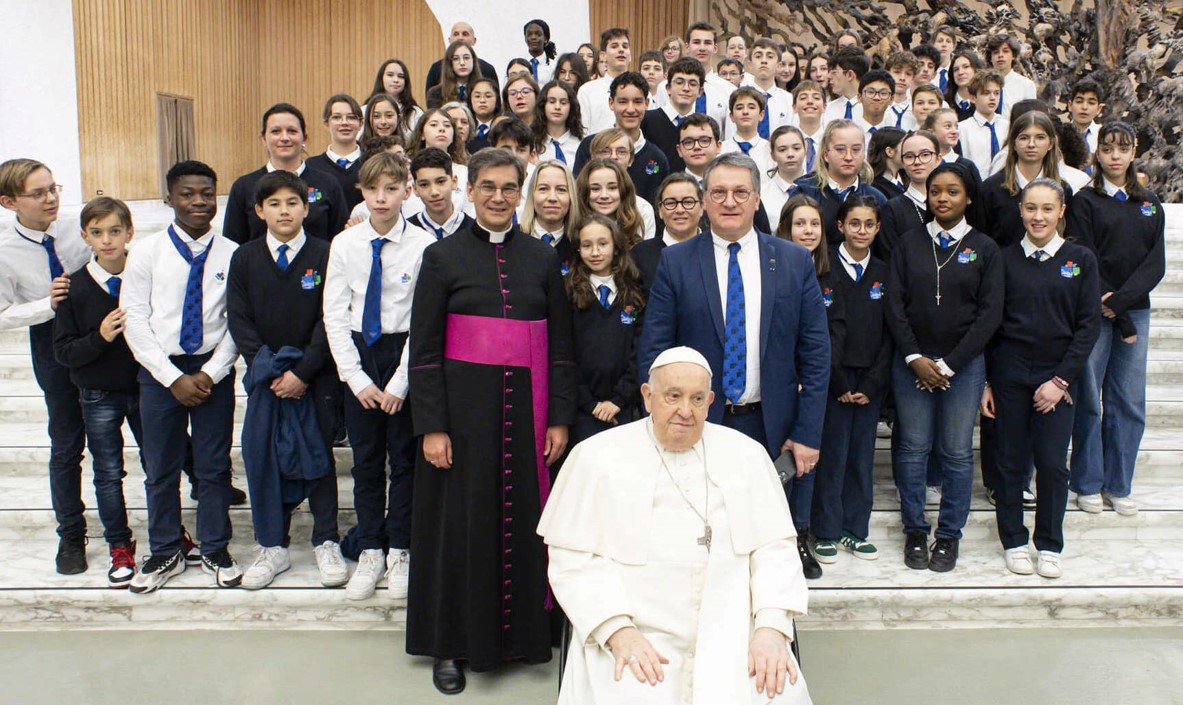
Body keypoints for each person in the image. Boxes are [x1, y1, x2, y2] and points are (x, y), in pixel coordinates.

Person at [538, 346, 813, 704]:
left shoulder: (745, 455)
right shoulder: (597, 457)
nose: (686, 410)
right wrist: (616, 629)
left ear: (711, 401)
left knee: (774, 690)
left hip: (730, 626)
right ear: (648, 397)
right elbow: (571, 560)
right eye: (673, 396)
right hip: (636, 628)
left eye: (697, 399)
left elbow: (775, 549)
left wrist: (772, 628)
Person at [406, 147, 577, 694]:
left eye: (508, 188)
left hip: (527, 414)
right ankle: (451, 644)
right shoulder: (442, 259)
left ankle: (525, 638)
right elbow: (425, 349)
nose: (498, 198)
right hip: (462, 420)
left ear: (520, 192)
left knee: (524, 524)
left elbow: (562, 349)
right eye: (488, 188)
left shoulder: (543, 259)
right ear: (469, 190)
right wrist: (432, 425)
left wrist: (557, 418)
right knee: (459, 527)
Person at [639, 152, 832, 521]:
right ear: (705, 199)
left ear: (757, 199)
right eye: (719, 192)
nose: (730, 202)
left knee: (766, 527)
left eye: (741, 192)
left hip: (772, 425)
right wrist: (665, 420)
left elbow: (816, 355)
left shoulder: (794, 261)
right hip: (697, 420)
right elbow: (655, 350)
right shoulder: (676, 261)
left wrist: (807, 433)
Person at [121, 160, 242, 592]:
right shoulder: (146, 252)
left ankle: (214, 546)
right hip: (160, 373)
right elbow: (134, 317)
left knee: (212, 467)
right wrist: (170, 376)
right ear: (169, 199)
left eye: (206, 194)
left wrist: (210, 371)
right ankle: (165, 549)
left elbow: (236, 323)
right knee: (160, 468)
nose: (198, 202)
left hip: (212, 371)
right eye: (187, 194)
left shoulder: (232, 253)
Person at [225, 171, 346, 590]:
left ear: (306, 208)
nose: (284, 211)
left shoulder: (325, 253)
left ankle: (326, 539)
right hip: (266, 378)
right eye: (273, 204)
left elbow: (329, 318)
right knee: (262, 458)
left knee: (318, 458)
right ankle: (272, 545)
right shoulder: (244, 258)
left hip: (315, 378)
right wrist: (272, 369)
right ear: (259, 211)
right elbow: (238, 320)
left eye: (292, 203)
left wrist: (302, 372)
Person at [323, 152, 434, 601]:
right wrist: (356, 379)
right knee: (366, 462)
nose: (382, 198)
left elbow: (425, 319)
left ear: (407, 190)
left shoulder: (424, 246)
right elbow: (333, 314)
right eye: (373, 190)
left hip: (405, 351)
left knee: (404, 461)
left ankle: (400, 549)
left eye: (392, 188)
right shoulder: (344, 245)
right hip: (359, 353)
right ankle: (371, 546)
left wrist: (399, 383)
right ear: (361, 193)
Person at [884, 161, 1002, 573]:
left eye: (952, 191)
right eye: (936, 191)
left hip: (964, 367)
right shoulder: (907, 242)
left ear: (968, 196)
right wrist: (916, 358)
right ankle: (915, 529)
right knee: (913, 448)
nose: (943, 198)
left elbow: (989, 315)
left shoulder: (984, 248)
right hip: (911, 363)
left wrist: (949, 364)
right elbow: (894, 305)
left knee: (955, 453)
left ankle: (948, 535)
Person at [981, 178, 1100, 579]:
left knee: (1051, 464)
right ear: (1020, 210)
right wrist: (988, 382)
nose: (1038, 216)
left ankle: (1049, 544)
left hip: (1057, 375)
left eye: (1047, 208)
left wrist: (1061, 381)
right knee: (1010, 462)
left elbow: (1088, 327)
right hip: (1010, 372)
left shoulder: (1080, 259)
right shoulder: (1004, 258)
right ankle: (1013, 539)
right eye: (1031, 207)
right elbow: (991, 324)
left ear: (1061, 211)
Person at [1069, 121, 1165, 517]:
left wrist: (1122, 301)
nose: (1114, 156)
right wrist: (1104, 299)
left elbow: (1153, 264)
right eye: (1107, 148)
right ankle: (1088, 482)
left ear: (1133, 150)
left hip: (1133, 313)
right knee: (1089, 399)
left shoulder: (1148, 203)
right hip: (1095, 311)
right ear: (1097, 151)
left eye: (1122, 149)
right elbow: (1083, 255)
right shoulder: (1084, 201)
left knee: (1128, 400)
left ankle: (1118, 483)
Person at [0, 159, 90, 574]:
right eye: (38, 193)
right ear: (8, 202)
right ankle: (71, 534)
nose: (51, 198)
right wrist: (45, 305)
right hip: (51, 340)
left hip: (101, 332)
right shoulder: (5, 251)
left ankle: (197, 482)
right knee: (67, 441)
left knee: (146, 422)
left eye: (53, 188)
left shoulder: (78, 226)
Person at [49, 197, 139, 586]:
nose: (107, 240)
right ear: (85, 236)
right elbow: (65, 351)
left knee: (159, 464)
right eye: (98, 233)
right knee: (107, 472)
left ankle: (171, 536)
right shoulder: (74, 288)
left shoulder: (143, 274)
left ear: (129, 233)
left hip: (144, 387)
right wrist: (100, 338)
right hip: (98, 393)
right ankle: (119, 543)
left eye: (115, 231)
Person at [810, 195, 892, 568]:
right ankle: (825, 530)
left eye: (869, 224)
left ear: (877, 228)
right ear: (840, 226)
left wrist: (873, 383)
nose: (862, 230)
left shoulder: (886, 272)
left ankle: (854, 529)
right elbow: (819, 333)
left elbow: (892, 332)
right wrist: (837, 382)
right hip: (833, 380)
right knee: (832, 456)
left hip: (870, 379)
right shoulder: (823, 268)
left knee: (861, 457)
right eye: (854, 223)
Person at [773, 194, 845, 578]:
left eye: (814, 224)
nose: (808, 231)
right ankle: (779, 536)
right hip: (782, 386)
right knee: (781, 463)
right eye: (799, 224)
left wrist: (814, 378)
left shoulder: (831, 272)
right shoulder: (772, 268)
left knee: (808, 462)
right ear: (786, 228)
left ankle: (802, 534)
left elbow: (834, 334)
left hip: (821, 388)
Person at [567, 213, 646, 443]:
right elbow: (565, 354)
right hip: (583, 412)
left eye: (603, 244)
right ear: (578, 250)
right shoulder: (569, 295)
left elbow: (639, 351)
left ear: (616, 247)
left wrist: (619, 400)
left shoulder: (634, 293)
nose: (595, 252)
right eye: (587, 245)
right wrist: (590, 404)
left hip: (624, 409)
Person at [223, 103, 349, 245]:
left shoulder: (328, 184)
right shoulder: (243, 187)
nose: (284, 138)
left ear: (304, 138)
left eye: (292, 131)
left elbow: (341, 241)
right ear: (264, 139)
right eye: (276, 131)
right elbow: (232, 244)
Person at [573, 72, 670, 206]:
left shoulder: (657, 158)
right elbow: (579, 196)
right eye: (623, 102)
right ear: (611, 103)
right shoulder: (590, 145)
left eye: (637, 101)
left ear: (647, 103)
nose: (630, 109)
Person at [788, 119, 887, 246]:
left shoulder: (876, 198)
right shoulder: (804, 192)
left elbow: (883, 251)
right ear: (826, 155)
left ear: (864, 154)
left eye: (856, 150)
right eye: (840, 149)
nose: (848, 157)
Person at [632, 173, 704, 290]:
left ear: (701, 207)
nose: (679, 210)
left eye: (688, 202)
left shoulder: (717, 250)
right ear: (660, 210)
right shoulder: (639, 255)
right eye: (670, 203)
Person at [878, 130, 941, 258]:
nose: (917, 162)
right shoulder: (893, 209)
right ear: (902, 161)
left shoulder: (953, 202)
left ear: (938, 159)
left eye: (925, 154)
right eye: (909, 156)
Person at [587, 130, 658, 239]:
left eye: (621, 152)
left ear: (631, 160)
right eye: (605, 151)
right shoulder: (578, 204)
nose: (614, 157)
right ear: (593, 157)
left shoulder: (642, 209)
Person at [641, 57, 707, 174]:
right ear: (668, 88)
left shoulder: (704, 126)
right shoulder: (647, 120)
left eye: (692, 84)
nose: (686, 88)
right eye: (679, 82)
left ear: (700, 92)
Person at [520, 159, 582, 277]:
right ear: (532, 195)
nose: (552, 198)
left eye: (561, 190)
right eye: (543, 189)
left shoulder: (580, 245)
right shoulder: (513, 240)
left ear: (571, 197)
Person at [307, 94, 365, 211]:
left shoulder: (373, 164)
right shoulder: (311, 167)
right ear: (326, 123)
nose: (344, 123)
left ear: (360, 124)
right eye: (337, 117)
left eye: (351, 117)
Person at [408, 147, 475, 239]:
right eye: (424, 184)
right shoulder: (407, 231)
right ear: (415, 189)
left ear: (454, 182)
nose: (434, 192)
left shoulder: (474, 230)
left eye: (440, 182)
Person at [577, 158, 647, 245]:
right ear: (584, 192)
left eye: (612, 188)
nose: (604, 195)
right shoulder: (571, 237)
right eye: (595, 188)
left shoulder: (637, 244)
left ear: (624, 191)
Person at [578, 28, 633, 134]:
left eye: (625, 46)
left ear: (630, 55)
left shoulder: (643, 91)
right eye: (614, 46)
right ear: (603, 55)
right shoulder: (587, 91)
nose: (621, 50)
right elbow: (583, 132)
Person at [958, 71, 1007, 179]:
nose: (993, 98)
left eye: (996, 93)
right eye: (986, 93)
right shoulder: (962, 129)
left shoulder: (1008, 126)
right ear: (972, 98)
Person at [744, 38, 795, 139]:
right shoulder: (739, 98)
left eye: (770, 57)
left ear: (778, 65)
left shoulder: (789, 100)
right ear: (750, 65)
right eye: (758, 56)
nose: (764, 61)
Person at [720, 87, 774, 176]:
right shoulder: (721, 150)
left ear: (761, 115)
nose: (745, 112)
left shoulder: (770, 151)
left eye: (751, 107)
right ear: (732, 116)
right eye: (739, 108)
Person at [761, 126, 808, 226]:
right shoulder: (762, 194)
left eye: (796, 148)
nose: (790, 154)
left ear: (805, 151)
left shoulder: (820, 190)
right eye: (782, 150)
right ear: (773, 155)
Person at [368, 58, 425, 141]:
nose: (396, 80)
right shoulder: (365, 109)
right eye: (390, 75)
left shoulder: (416, 113)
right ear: (381, 78)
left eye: (401, 76)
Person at [536, 80, 583, 166]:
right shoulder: (532, 144)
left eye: (563, 103)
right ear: (543, 105)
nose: (557, 107)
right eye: (552, 102)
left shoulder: (581, 144)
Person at [987, 34, 1035, 118]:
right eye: (996, 52)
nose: (1000, 55)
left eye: (1005, 51)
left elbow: (1030, 119)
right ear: (990, 58)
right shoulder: (982, 84)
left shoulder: (1026, 85)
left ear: (1013, 56)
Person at [426, 41, 484, 109]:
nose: (462, 63)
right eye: (456, 59)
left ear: (473, 60)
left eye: (466, 58)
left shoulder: (484, 91)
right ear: (449, 63)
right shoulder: (436, 93)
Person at [821, 48, 869, 125]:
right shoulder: (828, 109)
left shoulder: (875, 108)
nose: (828, 76)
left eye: (834, 72)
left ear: (850, 75)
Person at [791, 80, 826, 172]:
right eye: (803, 98)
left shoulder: (830, 141)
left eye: (816, 98)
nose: (810, 101)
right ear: (794, 107)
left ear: (824, 107)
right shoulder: (787, 142)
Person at [1067, 78, 1105, 158]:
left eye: (1091, 103)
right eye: (1079, 102)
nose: (1084, 107)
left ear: (1099, 109)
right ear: (1070, 105)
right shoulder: (1060, 135)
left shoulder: (1104, 135)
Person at [867, 126, 907, 200]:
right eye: (905, 146)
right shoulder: (874, 188)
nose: (910, 152)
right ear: (889, 151)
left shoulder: (909, 180)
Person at [853, 70, 896, 137]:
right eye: (871, 92)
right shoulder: (850, 131)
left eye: (883, 93)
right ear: (859, 97)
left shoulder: (895, 135)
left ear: (891, 99)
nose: (877, 97)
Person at [946, 49, 984, 122]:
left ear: (976, 69)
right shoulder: (945, 103)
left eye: (966, 67)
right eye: (956, 69)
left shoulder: (985, 102)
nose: (960, 72)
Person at [884, 52, 919, 130]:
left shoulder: (915, 108)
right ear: (887, 73)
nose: (902, 78)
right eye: (897, 72)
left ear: (913, 77)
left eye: (908, 74)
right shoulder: (879, 105)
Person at [466, 77, 501, 152]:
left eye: (488, 96)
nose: (482, 100)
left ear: (497, 100)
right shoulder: (465, 128)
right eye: (477, 96)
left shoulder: (502, 127)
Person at [523, 19, 557, 85]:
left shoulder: (554, 67)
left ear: (546, 38)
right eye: (529, 34)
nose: (533, 37)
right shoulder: (518, 65)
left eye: (538, 34)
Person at [932, 26, 958, 93]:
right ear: (933, 44)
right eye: (940, 41)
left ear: (954, 46)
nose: (944, 45)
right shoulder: (927, 72)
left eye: (948, 41)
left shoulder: (958, 72)